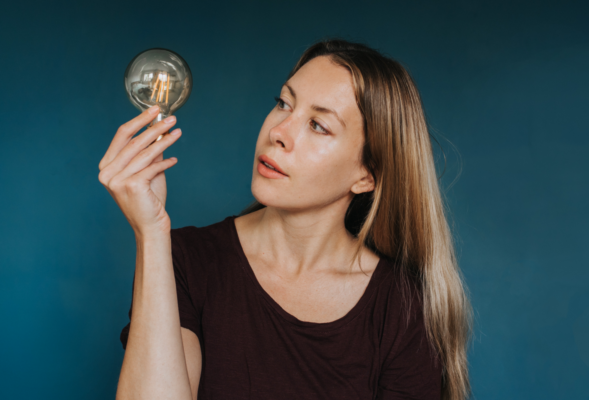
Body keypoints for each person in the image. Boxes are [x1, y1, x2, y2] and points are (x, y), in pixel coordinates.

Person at [99, 39, 472, 400]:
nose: (278, 132)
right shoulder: (185, 260)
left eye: (318, 125)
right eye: (283, 103)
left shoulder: (403, 307)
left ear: (367, 174)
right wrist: (150, 233)